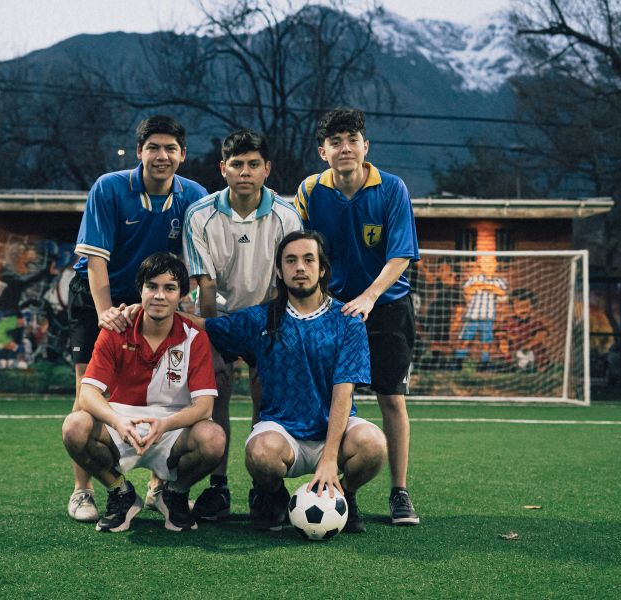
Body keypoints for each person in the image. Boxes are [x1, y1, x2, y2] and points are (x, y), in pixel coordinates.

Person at [105, 232, 387, 533]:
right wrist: (146, 308)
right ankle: (274, 497)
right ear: (279, 270)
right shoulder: (261, 319)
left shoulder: (348, 320)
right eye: (290, 261)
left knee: (373, 445)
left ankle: (344, 496)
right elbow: (206, 326)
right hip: (283, 431)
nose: (300, 267)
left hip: (334, 431)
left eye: (308, 260)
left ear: (323, 269)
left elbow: (343, 393)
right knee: (260, 453)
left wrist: (330, 459)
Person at [66, 116, 208, 522]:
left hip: (157, 292)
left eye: (170, 149)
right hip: (101, 291)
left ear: (182, 154)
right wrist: (106, 313)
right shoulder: (110, 187)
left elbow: (194, 263)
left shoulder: (193, 195)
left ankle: (158, 486)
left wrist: (185, 305)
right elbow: (95, 260)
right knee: (87, 389)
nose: (161, 156)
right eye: (153, 148)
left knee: (166, 386)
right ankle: (84, 490)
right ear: (140, 151)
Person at [294, 107, 421, 526]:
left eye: (352, 140)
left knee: (391, 398)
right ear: (323, 151)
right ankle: (323, 487)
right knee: (330, 395)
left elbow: (401, 254)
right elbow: (296, 246)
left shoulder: (391, 188)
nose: (344, 148)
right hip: (330, 310)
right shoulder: (311, 190)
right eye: (335, 142)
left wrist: (369, 296)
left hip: (385, 307)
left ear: (366, 146)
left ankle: (399, 492)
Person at [182, 128, 302, 520]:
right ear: (223, 168)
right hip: (217, 316)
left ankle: (263, 489)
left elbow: (286, 280)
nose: (245, 172)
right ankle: (219, 488)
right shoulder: (200, 215)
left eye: (254, 164)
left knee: (264, 397)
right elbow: (205, 283)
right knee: (215, 392)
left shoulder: (287, 216)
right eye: (237, 164)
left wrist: (270, 334)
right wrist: (213, 338)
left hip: (268, 317)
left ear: (267, 169)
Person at [61, 252, 224, 532]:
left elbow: (204, 407)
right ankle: (120, 492)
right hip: (123, 422)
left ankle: (175, 494)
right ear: (141, 290)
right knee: (74, 426)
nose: (159, 295)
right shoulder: (116, 329)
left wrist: (165, 424)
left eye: (169, 288)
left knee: (213, 438)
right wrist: (117, 421)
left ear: (181, 295)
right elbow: (87, 394)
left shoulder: (194, 337)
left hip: (171, 428)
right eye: (152, 286)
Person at [455, 255, 507, 365]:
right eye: (486, 264)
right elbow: (468, 290)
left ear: (495, 265)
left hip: (487, 317)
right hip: (472, 316)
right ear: (481, 266)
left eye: (491, 264)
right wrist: (489, 287)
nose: (488, 267)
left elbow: (502, 292)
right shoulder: (474, 279)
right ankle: (458, 362)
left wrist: (482, 286)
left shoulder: (499, 281)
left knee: (486, 343)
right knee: (464, 340)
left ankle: (484, 363)